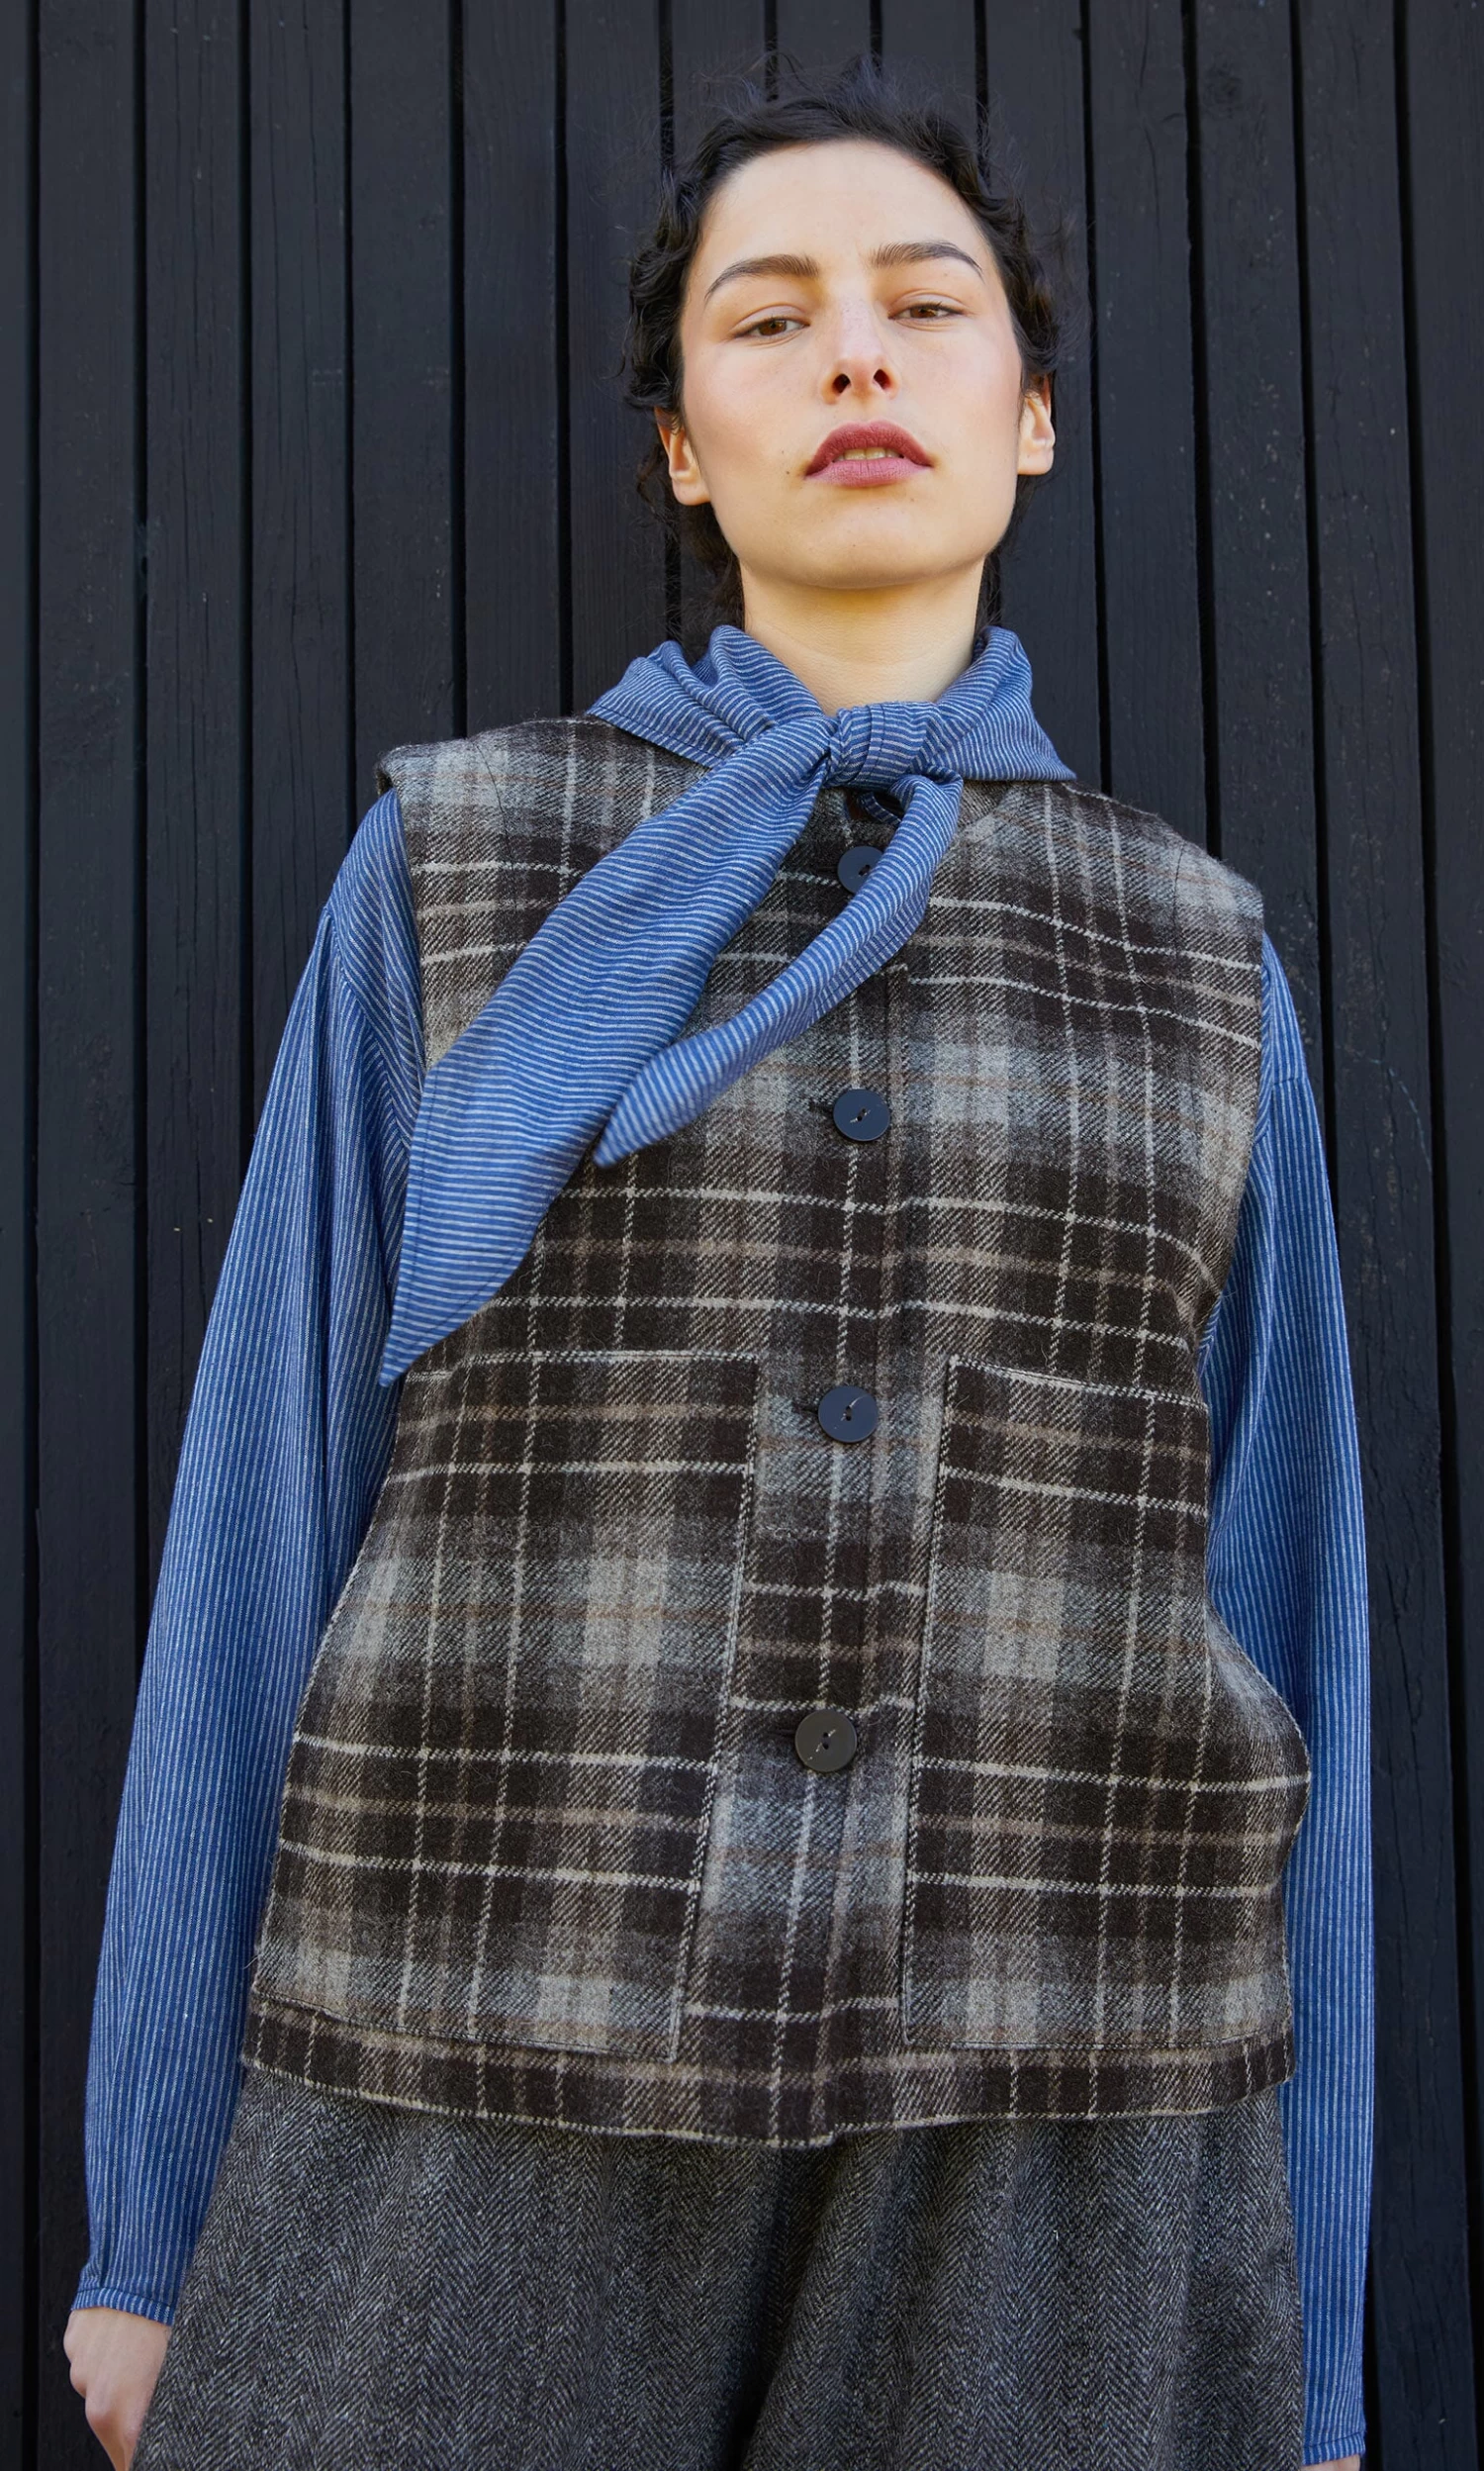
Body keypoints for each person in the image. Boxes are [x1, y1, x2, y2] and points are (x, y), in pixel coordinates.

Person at [62, 59, 1371, 2471]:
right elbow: (263, 1512)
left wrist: (1311, 2326)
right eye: (769, 320)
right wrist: (151, 2228)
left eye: (926, 305)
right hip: (473, 2054)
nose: (854, 352)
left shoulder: (1200, 955)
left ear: (1033, 414)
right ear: (682, 447)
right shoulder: (459, 870)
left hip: (1063, 2110)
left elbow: (1295, 1606)